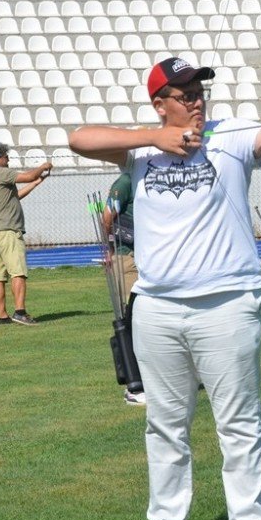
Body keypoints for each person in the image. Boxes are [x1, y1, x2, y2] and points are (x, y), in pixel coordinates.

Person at [69, 56, 261, 520]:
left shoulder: (230, 134)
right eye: (186, 95)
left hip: (227, 304)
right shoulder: (140, 152)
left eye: (200, 92)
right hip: (156, 307)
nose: (198, 101)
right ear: (160, 104)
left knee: (238, 424)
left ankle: (249, 517)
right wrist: (155, 138)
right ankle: (167, 517)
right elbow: (79, 138)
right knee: (165, 426)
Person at [0, 142, 51, 325]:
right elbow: (27, 176)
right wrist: (42, 166)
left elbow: (15, 196)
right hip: (8, 232)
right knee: (18, 272)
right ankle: (20, 312)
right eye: (6, 156)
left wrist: (36, 182)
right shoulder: (0, 172)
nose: (8, 159)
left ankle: (2, 316)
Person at [103, 171, 145, 405]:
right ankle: (134, 384)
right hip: (126, 256)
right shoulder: (126, 181)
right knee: (133, 317)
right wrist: (109, 251)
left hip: (147, 258)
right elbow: (106, 217)